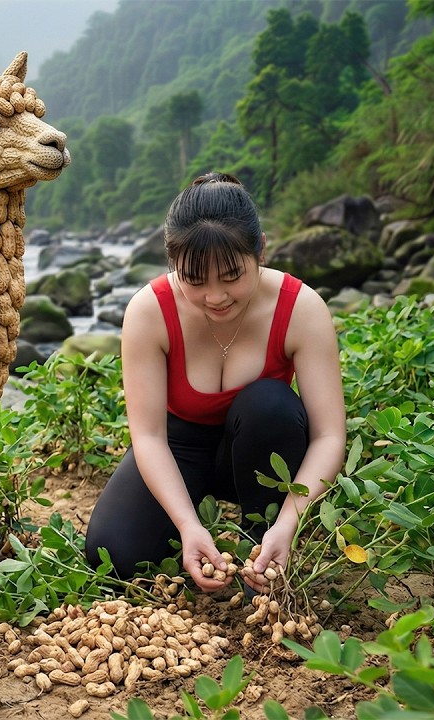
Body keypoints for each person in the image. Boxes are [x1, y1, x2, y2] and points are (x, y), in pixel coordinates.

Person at [85, 172, 346, 593]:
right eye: (194, 279)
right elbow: (148, 437)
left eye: (231, 276)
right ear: (173, 263)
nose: (215, 297)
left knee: (270, 404)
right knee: (114, 557)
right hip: (180, 449)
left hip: (265, 453)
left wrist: (289, 523)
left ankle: (261, 538)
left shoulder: (302, 309)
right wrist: (188, 525)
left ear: (260, 250)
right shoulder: (149, 312)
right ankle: (194, 529)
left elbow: (330, 437)